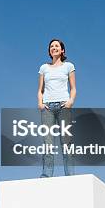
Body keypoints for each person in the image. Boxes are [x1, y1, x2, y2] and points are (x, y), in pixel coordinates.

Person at [37, 39, 76, 177]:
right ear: (49, 51)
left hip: (63, 106)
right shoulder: (44, 68)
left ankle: (70, 175)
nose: (54, 48)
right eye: (51, 46)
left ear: (62, 50)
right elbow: (40, 90)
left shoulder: (68, 66)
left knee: (66, 144)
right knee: (47, 144)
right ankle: (46, 175)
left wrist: (70, 101)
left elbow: (73, 88)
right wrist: (40, 103)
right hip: (47, 108)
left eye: (57, 46)